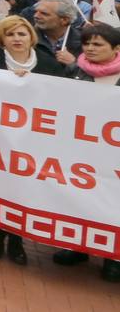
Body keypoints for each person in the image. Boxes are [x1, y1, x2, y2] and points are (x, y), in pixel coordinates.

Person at [0, 15, 73, 264]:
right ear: (2, 39)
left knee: (24, 191)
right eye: (10, 34)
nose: (17, 39)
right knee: (0, 187)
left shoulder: (50, 66)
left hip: (34, 141)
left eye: (21, 34)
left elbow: (62, 101)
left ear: (31, 36)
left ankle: (17, 241)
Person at [58, 22, 120, 281]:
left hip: (114, 154)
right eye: (87, 44)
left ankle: (113, 257)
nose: (91, 49)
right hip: (81, 150)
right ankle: (77, 247)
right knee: (80, 200)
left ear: (116, 49)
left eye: (98, 44)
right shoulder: (74, 70)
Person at [32, 0, 83, 66]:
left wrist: (73, 63)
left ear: (65, 20)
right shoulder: (27, 38)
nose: (36, 16)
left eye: (44, 13)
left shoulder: (84, 41)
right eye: (36, 12)